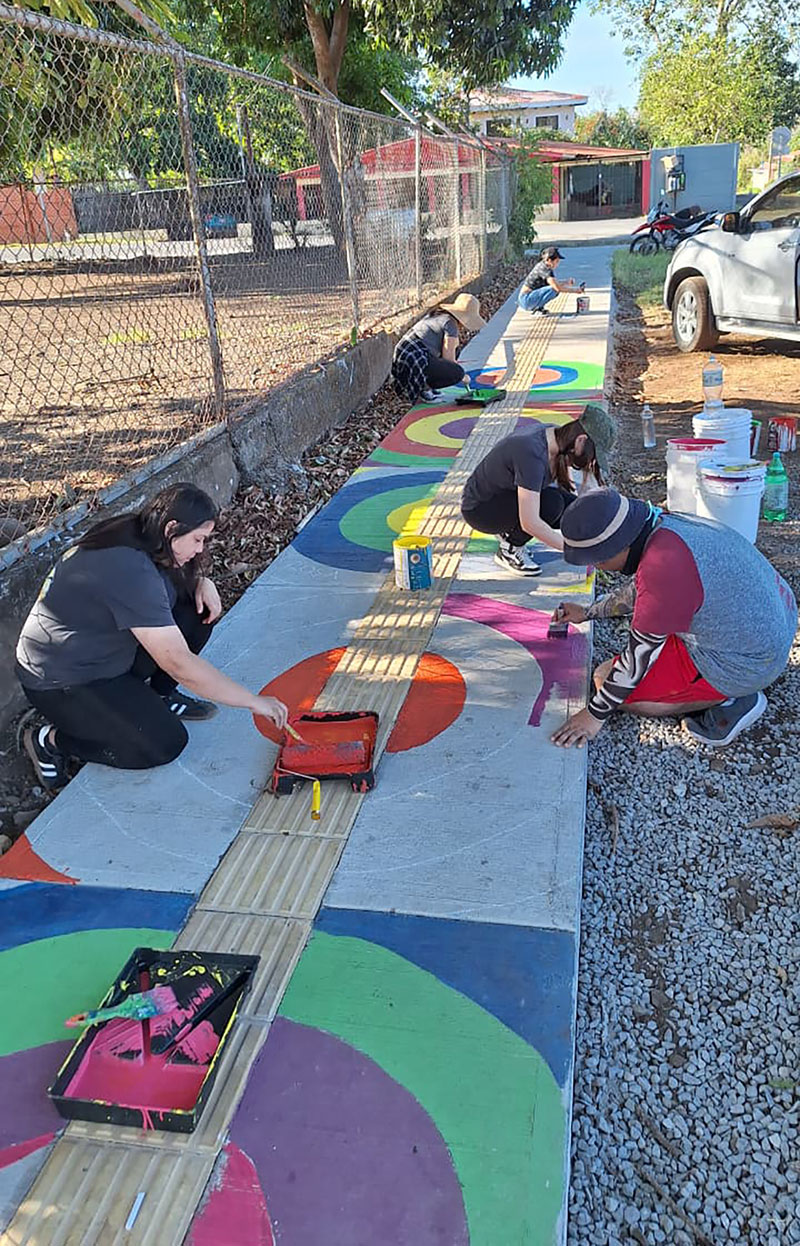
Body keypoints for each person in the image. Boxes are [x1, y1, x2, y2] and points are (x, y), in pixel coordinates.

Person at [16, 483, 289, 789]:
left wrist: (201, 581)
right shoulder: (129, 569)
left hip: (102, 654)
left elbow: (162, 589)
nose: (201, 549)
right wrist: (252, 701)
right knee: (163, 744)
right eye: (198, 539)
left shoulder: (143, 534)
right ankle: (51, 740)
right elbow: (179, 664)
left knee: (195, 609)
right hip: (64, 682)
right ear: (172, 527)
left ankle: (158, 695)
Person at [550, 488, 797, 749]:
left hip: (751, 663)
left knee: (604, 678)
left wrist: (594, 714)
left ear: (616, 549)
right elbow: (641, 591)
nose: (597, 567)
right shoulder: (663, 525)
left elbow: (638, 659)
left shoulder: (664, 569)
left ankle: (735, 699)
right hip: (775, 621)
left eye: (596, 562)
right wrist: (589, 612)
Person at [461, 420, 602, 576]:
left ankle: (510, 530)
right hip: (481, 509)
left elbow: (573, 492)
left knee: (573, 509)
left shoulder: (556, 436)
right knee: (551, 505)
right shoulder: (531, 453)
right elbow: (530, 523)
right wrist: (573, 550)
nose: (590, 460)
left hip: (506, 494)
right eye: (591, 454)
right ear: (580, 439)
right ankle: (510, 549)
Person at [391, 293, 485, 406]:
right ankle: (424, 389)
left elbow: (449, 349)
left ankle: (427, 386)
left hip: (406, 356)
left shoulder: (438, 315)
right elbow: (449, 358)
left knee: (456, 351)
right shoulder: (450, 324)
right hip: (415, 359)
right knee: (457, 372)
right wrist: (463, 377)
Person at [517, 246, 580, 315]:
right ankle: (537, 308)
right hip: (526, 300)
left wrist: (566, 282)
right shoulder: (545, 269)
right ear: (549, 260)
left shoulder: (543, 266)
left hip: (527, 298)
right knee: (554, 290)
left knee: (552, 289)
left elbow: (553, 283)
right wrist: (575, 290)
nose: (558, 264)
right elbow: (556, 288)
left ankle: (538, 307)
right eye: (557, 261)